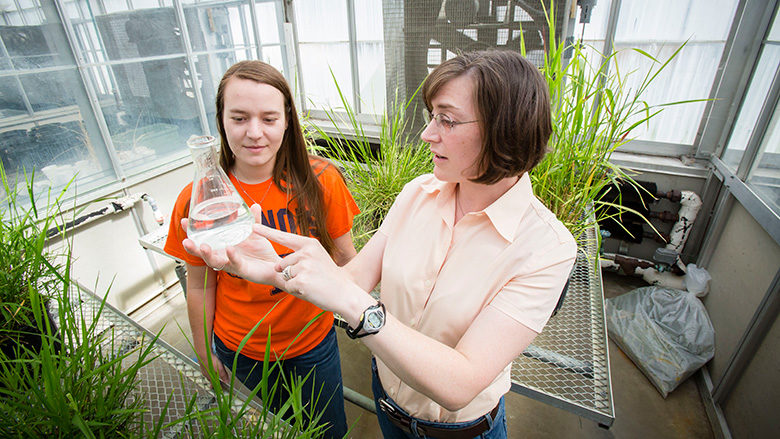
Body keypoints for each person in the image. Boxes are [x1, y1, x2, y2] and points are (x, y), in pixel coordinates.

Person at [185, 50, 577, 439]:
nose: (427, 133)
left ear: (505, 129)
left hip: (460, 431)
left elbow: (460, 383)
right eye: (431, 117)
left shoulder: (546, 247)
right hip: (387, 403)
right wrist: (273, 269)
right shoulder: (418, 193)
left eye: (448, 120)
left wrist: (355, 306)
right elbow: (353, 278)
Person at [164, 60, 358, 438]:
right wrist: (205, 354)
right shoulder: (197, 202)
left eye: (269, 119)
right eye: (239, 118)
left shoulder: (321, 180)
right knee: (280, 427)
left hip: (311, 341)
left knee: (328, 430)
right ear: (221, 120)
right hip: (243, 349)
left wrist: (364, 321)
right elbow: (201, 285)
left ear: (287, 120)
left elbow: (347, 260)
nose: (254, 133)